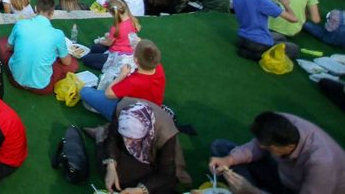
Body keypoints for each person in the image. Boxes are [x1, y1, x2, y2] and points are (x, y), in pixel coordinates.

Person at [209, 111, 345, 194]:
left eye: (268, 146)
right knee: (220, 147)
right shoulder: (282, 121)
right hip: (283, 175)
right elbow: (256, 146)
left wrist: (252, 192)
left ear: (288, 146)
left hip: (303, 189)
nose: (261, 147)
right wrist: (228, 160)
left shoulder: (322, 164)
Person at [100, 100, 190, 194]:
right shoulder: (122, 110)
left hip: (156, 160)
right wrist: (111, 166)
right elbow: (113, 138)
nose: (127, 142)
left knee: (164, 187)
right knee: (112, 175)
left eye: (132, 138)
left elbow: (166, 172)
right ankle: (100, 135)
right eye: (125, 137)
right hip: (139, 155)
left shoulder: (166, 134)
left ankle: (100, 135)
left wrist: (141, 189)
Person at [0, 0, 78, 94]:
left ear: (35, 8)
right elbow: (66, 62)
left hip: (15, 79)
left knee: (3, 42)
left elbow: (8, 47)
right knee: (72, 64)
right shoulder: (58, 34)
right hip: (42, 87)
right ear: (52, 13)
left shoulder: (21, 24)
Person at [81, 39, 165, 120]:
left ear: (136, 60)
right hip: (152, 109)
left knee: (85, 91)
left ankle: (111, 116)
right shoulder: (158, 68)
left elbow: (108, 93)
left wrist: (122, 75)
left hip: (133, 116)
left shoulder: (134, 81)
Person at [232, 0, 300, 61]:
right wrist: (286, 4)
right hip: (258, 42)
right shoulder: (261, 0)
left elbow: (253, 3)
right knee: (294, 48)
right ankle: (260, 54)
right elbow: (293, 19)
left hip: (242, 37)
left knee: (280, 37)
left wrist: (272, 2)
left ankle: (249, 50)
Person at [82, 0, 140, 73]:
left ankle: (111, 66)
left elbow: (108, 43)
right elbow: (122, 36)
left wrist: (100, 40)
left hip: (118, 57)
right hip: (128, 51)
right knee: (95, 48)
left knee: (86, 59)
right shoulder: (132, 20)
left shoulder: (116, 27)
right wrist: (109, 36)